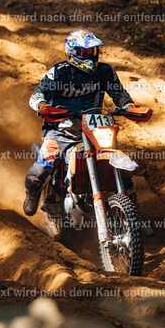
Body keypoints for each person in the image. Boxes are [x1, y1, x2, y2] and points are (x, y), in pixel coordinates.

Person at [23, 29, 139, 216]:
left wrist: (129, 106)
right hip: (61, 131)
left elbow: (120, 95)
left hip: (95, 130)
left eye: (93, 51)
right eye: (85, 52)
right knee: (38, 175)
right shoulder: (59, 72)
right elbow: (37, 95)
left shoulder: (104, 72)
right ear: (72, 52)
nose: (90, 56)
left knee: (122, 170)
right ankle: (32, 194)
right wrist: (43, 106)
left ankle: (133, 216)